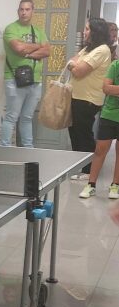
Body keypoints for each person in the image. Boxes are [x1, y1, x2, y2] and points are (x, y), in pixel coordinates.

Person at [0, 0, 51, 148]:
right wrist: (38, 46)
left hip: (35, 80)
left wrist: (27, 53)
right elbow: (18, 48)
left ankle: (28, 149)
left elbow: (47, 51)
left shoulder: (39, 31)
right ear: (18, 11)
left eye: (27, 9)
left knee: (27, 117)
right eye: (21, 9)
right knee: (11, 117)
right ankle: (5, 148)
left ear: (32, 11)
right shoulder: (11, 29)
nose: (24, 12)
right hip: (14, 79)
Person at [67, 17, 112, 180]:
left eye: (87, 29)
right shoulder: (88, 49)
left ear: (95, 31)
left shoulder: (102, 50)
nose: (84, 32)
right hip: (76, 97)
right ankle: (80, 166)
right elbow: (72, 61)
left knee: (83, 134)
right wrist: (74, 65)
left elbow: (78, 71)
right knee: (75, 132)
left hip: (88, 99)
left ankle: (89, 170)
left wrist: (73, 65)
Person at [79, 55, 119, 200]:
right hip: (109, 114)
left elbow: (111, 88)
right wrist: (111, 89)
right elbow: (106, 88)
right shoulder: (115, 65)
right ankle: (91, 185)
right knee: (100, 149)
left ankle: (115, 185)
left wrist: (115, 89)